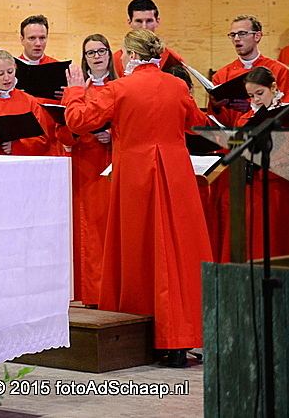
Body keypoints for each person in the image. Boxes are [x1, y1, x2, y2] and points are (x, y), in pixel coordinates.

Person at [62, 29, 212, 367]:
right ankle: (180, 335)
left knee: (141, 252)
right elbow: (198, 122)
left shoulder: (121, 87)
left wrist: (74, 90)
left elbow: (78, 120)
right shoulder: (176, 85)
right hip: (175, 176)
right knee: (176, 252)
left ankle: (146, 334)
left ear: (130, 56)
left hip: (137, 176)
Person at [224, 67, 289, 259]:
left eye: (260, 93)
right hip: (255, 184)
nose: (256, 100)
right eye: (251, 96)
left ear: (273, 87)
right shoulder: (245, 118)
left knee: (280, 238)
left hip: (282, 185)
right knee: (256, 239)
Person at [68, 34, 117, 306]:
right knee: (90, 232)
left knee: (112, 230)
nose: (97, 56)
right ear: (84, 59)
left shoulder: (122, 87)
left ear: (110, 55)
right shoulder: (78, 90)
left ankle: (112, 292)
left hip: (114, 162)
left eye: (101, 51)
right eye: (90, 53)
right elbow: (63, 131)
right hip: (86, 165)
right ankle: (91, 294)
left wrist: (113, 133)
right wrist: (75, 132)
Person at [0, 49, 56, 156]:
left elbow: (44, 142)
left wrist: (16, 146)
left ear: (15, 69)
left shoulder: (31, 101)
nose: (6, 78)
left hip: (24, 167)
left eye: (10, 72)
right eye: (0, 74)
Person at [209, 15, 289, 126]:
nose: (236, 39)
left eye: (242, 34)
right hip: (235, 139)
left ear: (257, 36)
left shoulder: (279, 70)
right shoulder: (221, 76)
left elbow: (286, 112)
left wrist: (253, 108)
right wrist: (216, 108)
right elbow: (218, 123)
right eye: (233, 35)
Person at [112, 0, 183, 75]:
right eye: (139, 21)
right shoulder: (115, 61)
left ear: (157, 21)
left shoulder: (171, 59)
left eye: (149, 21)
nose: (144, 27)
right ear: (129, 22)